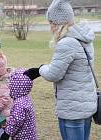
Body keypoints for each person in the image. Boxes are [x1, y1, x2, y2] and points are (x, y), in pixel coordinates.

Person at [25, 0, 97, 139]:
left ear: (59, 23)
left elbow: (53, 74)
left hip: (72, 108)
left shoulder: (67, 43)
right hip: (86, 104)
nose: (50, 26)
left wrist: (40, 69)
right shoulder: (84, 39)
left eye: (51, 22)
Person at [0, 68, 38, 140]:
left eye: (11, 85)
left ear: (16, 87)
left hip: (22, 137)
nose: (10, 87)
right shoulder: (25, 98)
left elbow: (16, 121)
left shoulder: (19, 104)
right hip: (29, 135)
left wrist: (7, 133)